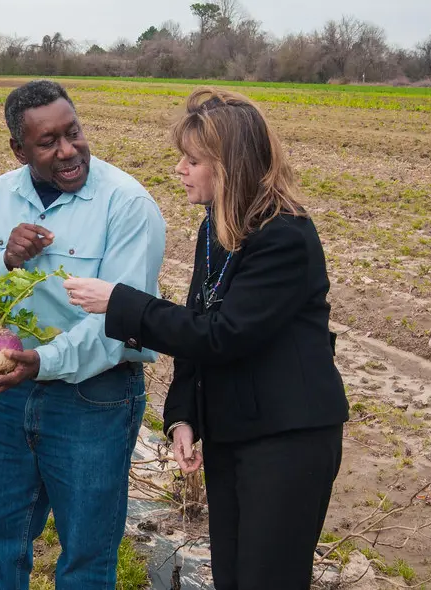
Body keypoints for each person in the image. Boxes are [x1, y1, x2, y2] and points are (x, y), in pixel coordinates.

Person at [63, 88, 350, 590]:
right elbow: (199, 326)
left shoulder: (285, 236)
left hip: (288, 440)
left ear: (229, 166)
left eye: (192, 160)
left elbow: (224, 334)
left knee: (269, 579)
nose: (180, 169)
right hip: (236, 434)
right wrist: (183, 415)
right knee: (235, 578)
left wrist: (122, 301)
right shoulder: (215, 231)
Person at [0, 79, 166, 589]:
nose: (69, 151)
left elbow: (121, 323)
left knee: (86, 556)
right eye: (48, 143)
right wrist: (5, 260)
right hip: (11, 392)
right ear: (19, 149)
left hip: (96, 397)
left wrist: (43, 361)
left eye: (74, 133)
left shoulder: (126, 204)